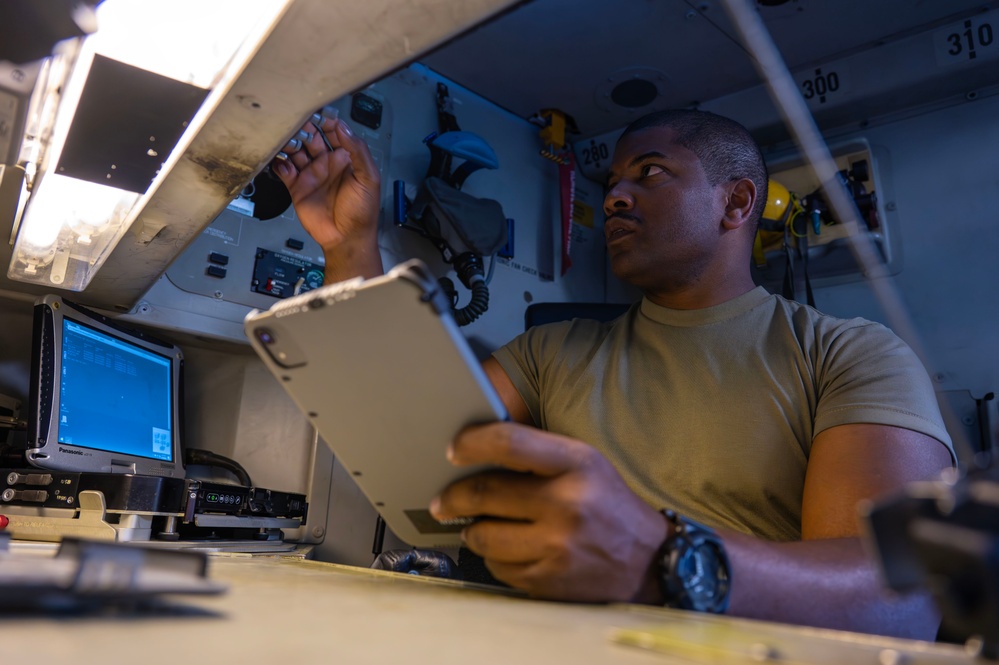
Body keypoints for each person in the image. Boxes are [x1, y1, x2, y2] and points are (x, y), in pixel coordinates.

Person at [271, 108, 955, 640]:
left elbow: (898, 603)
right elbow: (409, 439)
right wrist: (349, 246)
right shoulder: (550, 352)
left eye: (649, 173)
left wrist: (663, 558)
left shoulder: (849, 353)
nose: (616, 198)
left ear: (736, 201)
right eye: (611, 183)